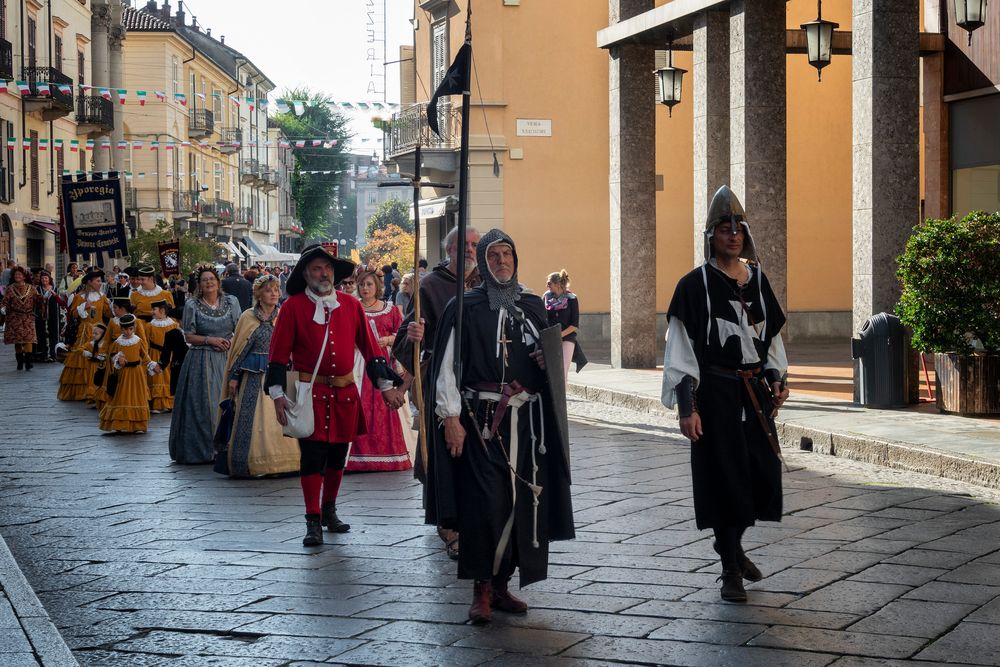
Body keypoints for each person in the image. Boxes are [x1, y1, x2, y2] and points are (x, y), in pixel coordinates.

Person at [425, 229, 575, 624]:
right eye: (493, 256)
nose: (502, 261)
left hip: (527, 425)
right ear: (484, 264)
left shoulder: (531, 307)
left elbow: (554, 371)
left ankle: (504, 583)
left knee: (522, 504)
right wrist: (451, 418)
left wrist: (548, 364)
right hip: (481, 423)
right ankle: (481, 589)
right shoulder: (466, 307)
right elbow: (445, 369)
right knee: (485, 505)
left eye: (507, 254)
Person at [660, 185, 790, 603]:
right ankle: (730, 569)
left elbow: (770, 339)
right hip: (715, 394)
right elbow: (680, 351)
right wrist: (687, 407)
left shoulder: (758, 280)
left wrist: (777, 378)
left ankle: (729, 543)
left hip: (754, 396)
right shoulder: (693, 286)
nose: (732, 235)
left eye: (738, 228)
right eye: (723, 228)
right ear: (710, 235)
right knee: (724, 478)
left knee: (759, 476)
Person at [265, 244, 404, 547]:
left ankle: (330, 511)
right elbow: (278, 356)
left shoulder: (351, 306)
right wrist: (278, 394)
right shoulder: (293, 307)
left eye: (327, 268)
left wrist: (386, 388)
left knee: (338, 456)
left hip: (344, 393)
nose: (324, 273)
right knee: (312, 457)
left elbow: (371, 350)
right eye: (317, 268)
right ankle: (312, 519)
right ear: (306, 274)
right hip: (308, 394)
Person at [392, 225, 481, 560]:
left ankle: (474, 519)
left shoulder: (487, 284)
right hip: (441, 385)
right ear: (449, 249)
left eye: (475, 244)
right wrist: (413, 335)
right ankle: (448, 523)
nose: (470, 250)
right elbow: (405, 341)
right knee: (443, 457)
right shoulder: (429, 286)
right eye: (464, 245)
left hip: (479, 386)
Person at [220, 275, 299, 478]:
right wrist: (234, 376)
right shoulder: (248, 317)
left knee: (282, 418)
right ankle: (251, 463)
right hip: (253, 376)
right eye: (268, 290)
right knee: (251, 419)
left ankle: (286, 462)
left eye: (276, 289)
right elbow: (239, 349)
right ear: (259, 294)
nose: (274, 293)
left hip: (280, 375)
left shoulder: (284, 315)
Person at [168, 266, 241, 464]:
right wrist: (211, 340)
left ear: (218, 282)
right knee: (205, 405)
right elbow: (189, 335)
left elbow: (240, 329)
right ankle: (206, 449)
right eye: (204, 280)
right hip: (202, 360)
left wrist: (229, 342)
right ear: (199, 285)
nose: (209, 282)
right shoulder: (192, 305)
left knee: (228, 402)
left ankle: (228, 446)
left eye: (212, 279)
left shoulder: (231, 302)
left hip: (226, 357)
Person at [346, 270, 410, 472]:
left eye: (369, 285)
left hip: (384, 363)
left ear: (377, 287)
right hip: (360, 363)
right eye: (362, 285)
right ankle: (357, 456)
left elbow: (401, 334)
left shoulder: (389, 310)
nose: (365, 288)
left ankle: (389, 453)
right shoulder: (353, 308)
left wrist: (388, 340)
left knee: (386, 407)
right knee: (360, 406)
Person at [99, 314, 159, 434]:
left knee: (136, 396)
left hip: (137, 373)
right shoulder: (117, 342)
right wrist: (118, 359)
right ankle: (119, 423)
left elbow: (145, 356)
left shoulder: (138, 341)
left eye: (130, 329)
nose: (128, 331)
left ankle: (137, 424)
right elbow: (112, 356)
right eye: (125, 329)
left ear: (134, 328)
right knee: (121, 396)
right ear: (121, 329)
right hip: (123, 374)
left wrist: (153, 365)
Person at [58, 270, 112, 400]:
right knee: (81, 357)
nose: (100, 283)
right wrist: (83, 307)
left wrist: (111, 306)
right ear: (90, 282)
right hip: (84, 331)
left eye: (100, 281)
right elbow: (74, 314)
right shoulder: (79, 297)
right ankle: (81, 392)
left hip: (99, 331)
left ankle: (96, 389)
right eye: (97, 281)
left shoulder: (102, 297)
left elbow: (108, 315)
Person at [543, 269, 588, 380]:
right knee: (551, 370)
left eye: (549, 283)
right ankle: (553, 396)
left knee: (562, 370)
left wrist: (559, 335)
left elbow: (574, 324)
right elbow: (542, 318)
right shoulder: (546, 297)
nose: (546, 285)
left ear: (558, 284)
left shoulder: (572, 298)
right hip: (550, 338)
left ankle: (561, 397)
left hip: (567, 337)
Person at [2, 266, 39, 370]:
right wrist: (2, 308)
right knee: (17, 340)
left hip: (28, 317)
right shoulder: (10, 288)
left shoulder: (31, 288)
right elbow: (4, 301)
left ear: (24, 277)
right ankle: (19, 362)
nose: (17, 276)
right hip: (14, 317)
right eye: (15, 275)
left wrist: (42, 299)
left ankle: (28, 362)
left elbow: (37, 298)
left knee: (29, 339)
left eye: (19, 275)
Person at [146, 300, 179, 413]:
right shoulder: (149, 326)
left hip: (169, 355)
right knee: (156, 377)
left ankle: (169, 404)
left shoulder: (174, 324)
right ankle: (156, 404)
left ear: (162, 310)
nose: (152, 312)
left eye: (154, 309)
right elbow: (146, 342)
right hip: (155, 354)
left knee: (169, 378)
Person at [34, 270, 64, 362]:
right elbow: (34, 301)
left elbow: (61, 302)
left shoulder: (55, 289)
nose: (44, 280)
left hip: (53, 314)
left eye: (46, 278)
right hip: (41, 315)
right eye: (42, 278)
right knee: (42, 333)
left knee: (53, 333)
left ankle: (53, 353)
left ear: (49, 279)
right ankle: (43, 354)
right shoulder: (37, 289)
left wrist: (55, 296)